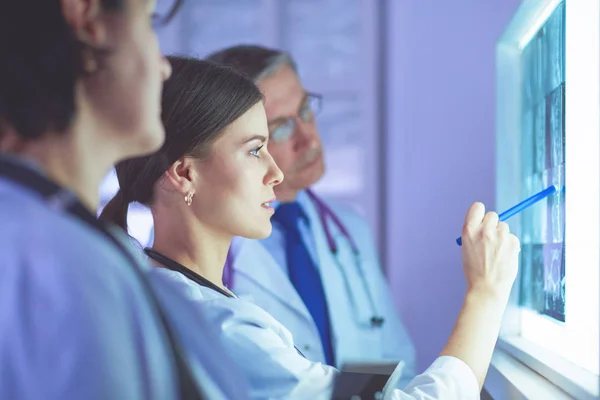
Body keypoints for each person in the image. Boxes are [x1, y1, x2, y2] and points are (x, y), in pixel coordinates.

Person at [103, 55, 521, 399]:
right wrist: (485, 294)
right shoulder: (220, 327)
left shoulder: (168, 293)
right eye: (255, 150)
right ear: (185, 174)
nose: (276, 174)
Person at [0, 1, 248, 398]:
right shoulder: (65, 264)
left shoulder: (55, 239)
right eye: (148, 23)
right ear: (89, 20)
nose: (163, 67)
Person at [206, 44, 417, 380]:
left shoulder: (349, 231)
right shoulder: (211, 252)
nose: (309, 139)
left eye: (305, 110)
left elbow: (399, 364)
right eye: (281, 128)